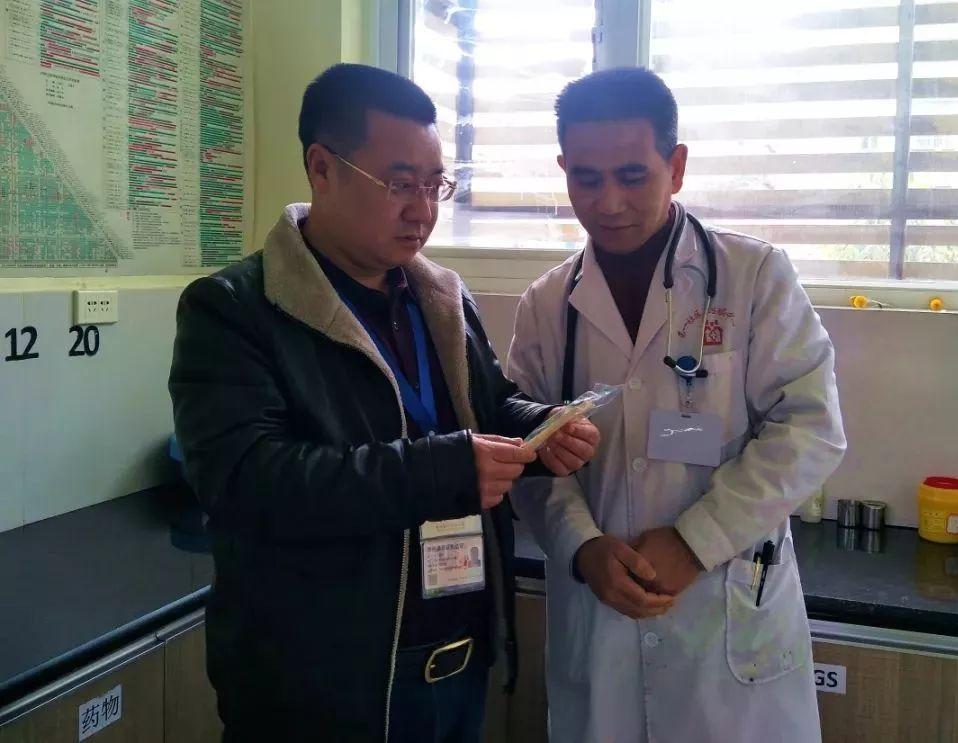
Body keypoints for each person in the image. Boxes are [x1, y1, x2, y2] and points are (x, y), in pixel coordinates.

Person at [169, 63, 599, 743]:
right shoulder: (235, 310)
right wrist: (442, 469)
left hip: (457, 660)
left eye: (434, 185)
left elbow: (487, 406)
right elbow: (247, 482)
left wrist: (541, 432)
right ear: (321, 168)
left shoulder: (440, 297)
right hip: (324, 684)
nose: (422, 210)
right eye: (399, 184)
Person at [507, 68, 847, 742]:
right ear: (563, 169)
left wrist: (697, 540)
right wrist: (582, 547)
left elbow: (810, 428)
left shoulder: (753, 278)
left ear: (677, 165)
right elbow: (529, 453)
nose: (608, 202)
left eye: (632, 176)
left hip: (725, 622)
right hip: (601, 615)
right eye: (586, 178)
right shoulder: (547, 306)